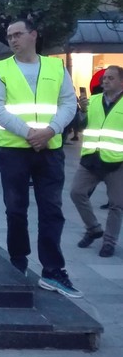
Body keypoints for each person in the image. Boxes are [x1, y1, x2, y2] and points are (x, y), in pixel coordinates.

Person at [0, 19, 80, 298]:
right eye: (9, 36)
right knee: (16, 209)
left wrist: (50, 130)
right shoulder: (0, 69)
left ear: (34, 35)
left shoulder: (54, 67)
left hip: (49, 150)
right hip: (14, 149)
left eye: (18, 34)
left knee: (51, 210)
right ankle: (18, 260)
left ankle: (52, 270)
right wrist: (30, 133)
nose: (13, 40)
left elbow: (68, 103)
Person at [70, 65, 123, 258]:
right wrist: (82, 111)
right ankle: (93, 228)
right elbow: (82, 125)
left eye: (110, 78)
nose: (105, 81)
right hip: (91, 158)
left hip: (116, 161)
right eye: (104, 78)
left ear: (121, 82)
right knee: (76, 193)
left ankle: (109, 242)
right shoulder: (92, 100)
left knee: (117, 204)